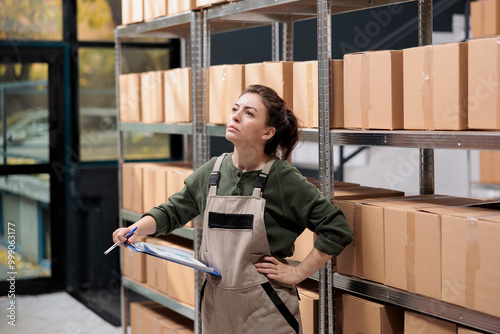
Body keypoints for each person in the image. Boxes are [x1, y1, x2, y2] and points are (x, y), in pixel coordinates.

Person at [112, 84, 353, 334]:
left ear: (267, 132)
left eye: (249, 113)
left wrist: (298, 273)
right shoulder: (212, 171)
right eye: (235, 109)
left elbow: (336, 229)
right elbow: (173, 211)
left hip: (266, 307)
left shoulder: (283, 178)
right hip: (216, 305)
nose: (235, 116)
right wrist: (135, 229)